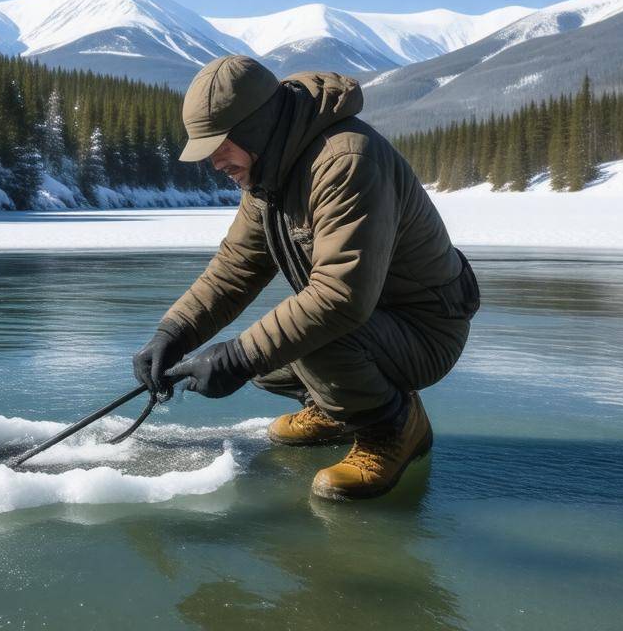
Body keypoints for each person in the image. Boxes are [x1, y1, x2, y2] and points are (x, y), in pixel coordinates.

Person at [133, 55, 479, 500]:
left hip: (426, 330)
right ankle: (336, 409)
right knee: (269, 357)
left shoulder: (345, 161)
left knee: (296, 340)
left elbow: (340, 298)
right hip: (376, 324)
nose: (214, 162)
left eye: (220, 145)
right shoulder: (267, 173)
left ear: (255, 128)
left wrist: (236, 358)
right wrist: (173, 333)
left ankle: (391, 427)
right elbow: (236, 266)